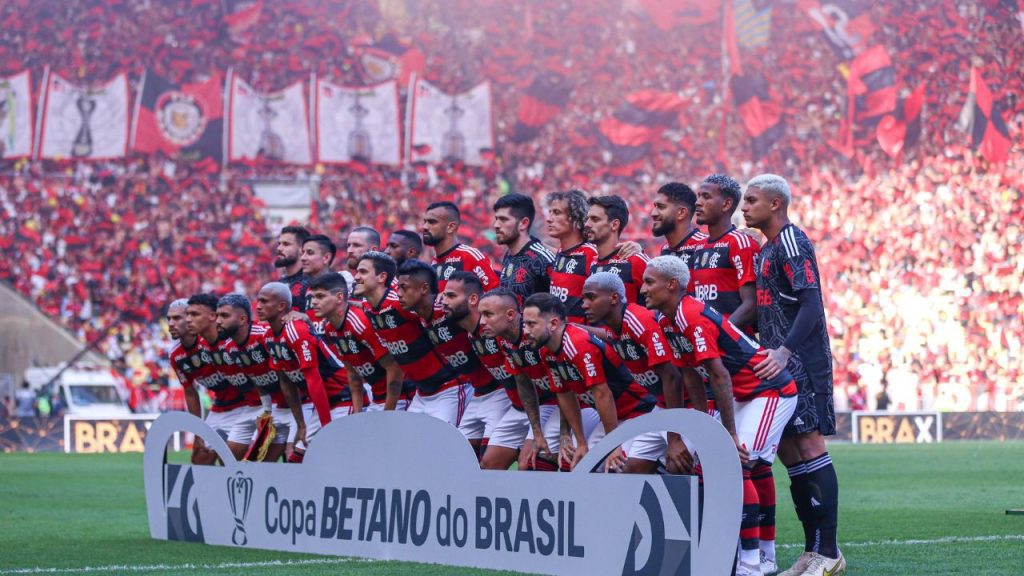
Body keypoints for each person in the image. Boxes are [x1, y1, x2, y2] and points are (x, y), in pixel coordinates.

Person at [642, 255, 799, 576]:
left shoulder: (692, 317)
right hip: (738, 395)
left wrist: (726, 433)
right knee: (727, 466)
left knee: (736, 462)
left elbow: (719, 376)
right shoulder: (666, 319)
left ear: (672, 285)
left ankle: (753, 563)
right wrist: (703, 424)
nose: (643, 289)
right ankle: (753, 556)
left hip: (767, 390)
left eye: (649, 282)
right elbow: (690, 375)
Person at [742, 173, 844, 576]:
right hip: (776, 364)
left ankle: (829, 551)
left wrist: (785, 351)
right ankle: (812, 550)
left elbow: (811, 303)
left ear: (775, 205)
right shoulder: (766, 249)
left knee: (809, 448)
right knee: (788, 454)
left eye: (751, 200)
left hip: (800, 362)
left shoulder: (790, 241)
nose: (744, 207)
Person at [521, 293, 656, 472]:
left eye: (531, 324)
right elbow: (565, 395)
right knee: (581, 468)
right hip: (614, 416)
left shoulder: (578, 344)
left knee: (620, 467)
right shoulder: (547, 352)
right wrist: (581, 442)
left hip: (638, 411)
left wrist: (613, 445)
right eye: (524, 324)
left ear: (553, 324)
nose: (525, 331)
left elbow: (603, 394)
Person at [580, 272, 686, 474]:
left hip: (687, 405)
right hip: (663, 405)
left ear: (614, 298)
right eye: (583, 299)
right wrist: (574, 328)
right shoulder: (615, 326)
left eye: (591, 297)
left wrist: (675, 438)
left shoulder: (639, 321)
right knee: (631, 468)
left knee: (680, 465)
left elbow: (673, 377)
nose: (584, 305)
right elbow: (612, 337)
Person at [354, 252, 466, 425]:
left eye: (362, 272)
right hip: (421, 393)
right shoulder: (368, 308)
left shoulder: (400, 305)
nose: (356, 277)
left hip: (448, 387)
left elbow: (431, 310)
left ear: (382, 277)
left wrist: (442, 298)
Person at [256, 282, 348, 463]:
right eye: (258, 301)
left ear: (281, 306)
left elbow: (315, 381)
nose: (258, 306)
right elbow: (286, 382)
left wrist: (326, 425)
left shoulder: (296, 331)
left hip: (343, 399)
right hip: (324, 404)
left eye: (264, 301)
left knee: (336, 459)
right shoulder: (268, 337)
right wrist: (301, 425)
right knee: (297, 460)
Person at [476, 289, 562, 471]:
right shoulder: (502, 339)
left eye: (488, 314)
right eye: (481, 315)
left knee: (527, 463)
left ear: (510, 315)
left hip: (557, 402)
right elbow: (523, 383)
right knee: (488, 464)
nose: (482, 322)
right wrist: (536, 431)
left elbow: (567, 387)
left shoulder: (538, 334)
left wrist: (558, 433)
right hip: (531, 406)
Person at [214, 293, 300, 462]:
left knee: (293, 459)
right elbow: (256, 377)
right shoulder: (229, 347)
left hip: (299, 406)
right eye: (217, 316)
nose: (218, 321)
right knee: (241, 461)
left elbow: (291, 374)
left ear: (242, 319)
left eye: (224, 316)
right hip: (274, 409)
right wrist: (267, 410)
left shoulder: (264, 335)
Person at [307, 272, 409, 412]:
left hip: (400, 397)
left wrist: (388, 412)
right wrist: (357, 413)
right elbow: (353, 374)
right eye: (312, 297)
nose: (313, 302)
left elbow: (394, 367)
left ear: (339, 297)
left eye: (320, 296)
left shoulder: (360, 323)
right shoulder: (329, 328)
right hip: (377, 398)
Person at [440, 271, 514, 458]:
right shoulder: (468, 331)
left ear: (473, 299)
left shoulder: (497, 331)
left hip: (503, 396)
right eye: (444, 295)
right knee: (457, 457)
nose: (444, 301)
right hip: (479, 396)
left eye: (451, 296)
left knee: (488, 464)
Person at [182, 293, 262, 463]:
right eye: (187, 314)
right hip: (228, 407)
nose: (187, 319)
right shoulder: (203, 347)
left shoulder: (232, 343)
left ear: (212, 317)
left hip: (256, 406)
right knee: (201, 459)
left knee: (235, 461)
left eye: (194, 314)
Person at [691, 174, 760, 330]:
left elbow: (752, 303)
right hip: (708, 344)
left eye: (706, 197)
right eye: (699, 196)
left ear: (726, 204)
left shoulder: (741, 243)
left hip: (735, 348)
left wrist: (720, 333)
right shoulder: (699, 247)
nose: (698, 202)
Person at [585, 195, 650, 305]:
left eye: (595, 219)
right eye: (587, 219)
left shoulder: (634, 261)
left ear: (614, 225)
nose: (587, 224)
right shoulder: (592, 262)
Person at [422, 201, 499, 293]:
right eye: (425, 222)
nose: (425, 227)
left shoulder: (470, 256)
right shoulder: (433, 263)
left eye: (432, 222)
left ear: (450, 227)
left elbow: (496, 295)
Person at [492, 192, 556, 302]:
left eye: (503, 219)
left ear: (523, 223)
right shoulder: (508, 254)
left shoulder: (542, 259)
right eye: (496, 218)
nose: (496, 225)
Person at [546, 190, 597, 324]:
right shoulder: (561, 253)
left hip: (580, 341)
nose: (549, 218)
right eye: (550, 212)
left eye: (556, 213)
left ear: (576, 217)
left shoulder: (591, 254)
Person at [653, 182, 707, 264]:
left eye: (661, 207)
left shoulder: (705, 246)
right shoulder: (665, 250)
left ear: (681, 213)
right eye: (655, 206)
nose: (653, 213)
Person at [275, 225, 312, 312]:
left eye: (286, 244)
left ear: (302, 249)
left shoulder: (310, 282)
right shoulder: (280, 282)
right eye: (279, 244)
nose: (279, 248)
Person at [300, 234, 336, 311]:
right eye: (302, 253)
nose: (302, 258)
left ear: (326, 258)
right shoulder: (302, 288)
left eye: (310, 253)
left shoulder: (340, 285)